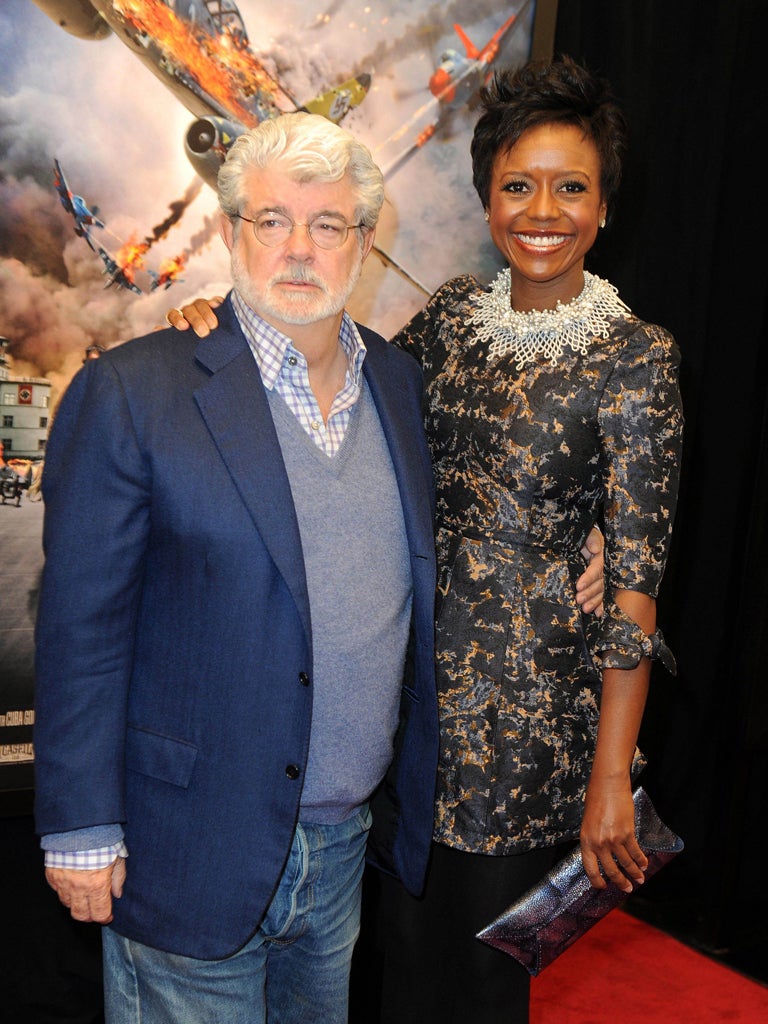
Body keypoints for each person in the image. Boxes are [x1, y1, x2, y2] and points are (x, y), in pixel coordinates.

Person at [168, 54, 683, 1024]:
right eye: (517, 184)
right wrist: (226, 333)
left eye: (572, 186)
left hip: (528, 752)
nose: (544, 208)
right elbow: (338, 403)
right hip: (406, 729)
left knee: (482, 991)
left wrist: (611, 780)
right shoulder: (449, 321)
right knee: (390, 982)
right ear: (489, 198)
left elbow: (635, 598)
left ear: (605, 206)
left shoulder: (637, 358)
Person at [34, 112, 442, 1024]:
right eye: (271, 220)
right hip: (186, 847)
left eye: (328, 224)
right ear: (230, 232)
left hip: (342, 855)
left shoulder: (400, 386)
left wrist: (591, 539)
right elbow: (80, 630)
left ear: (364, 244)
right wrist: (80, 826)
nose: (299, 248)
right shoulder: (135, 391)